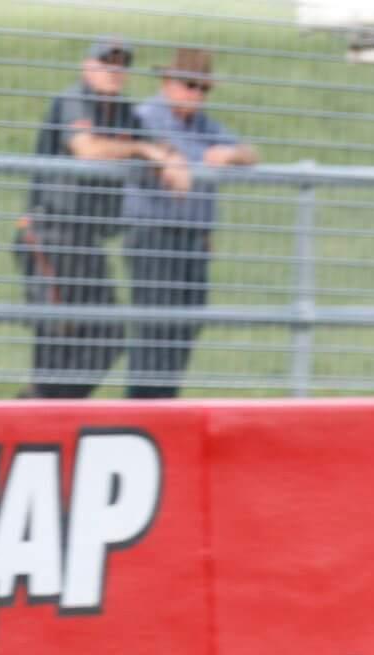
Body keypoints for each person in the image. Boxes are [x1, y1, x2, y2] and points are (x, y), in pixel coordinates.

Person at [14, 38, 190, 398]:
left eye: (121, 65)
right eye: (106, 62)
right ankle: (38, 410)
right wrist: (143, 150)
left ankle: (47, 408)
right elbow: (87, 149)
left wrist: (173, 160)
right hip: (50, 232)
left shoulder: (123, 112)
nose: (114, 71)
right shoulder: (73, 100)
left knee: (108, 336)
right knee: (60, 332)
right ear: (87, 66)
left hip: (86, 239)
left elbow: (159, 148)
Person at [124, 48, 257, 399]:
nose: (197, 94)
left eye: (203, 88)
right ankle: (143, 405)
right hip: (154, 236)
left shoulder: (204, 126)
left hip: (193, 241)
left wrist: (231, 154)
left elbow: (250, 153)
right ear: (168, 83)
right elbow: (134, 147)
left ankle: (165, 401)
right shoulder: (144, 118)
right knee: (156, 329)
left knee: (187, 323)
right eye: (190, 85)